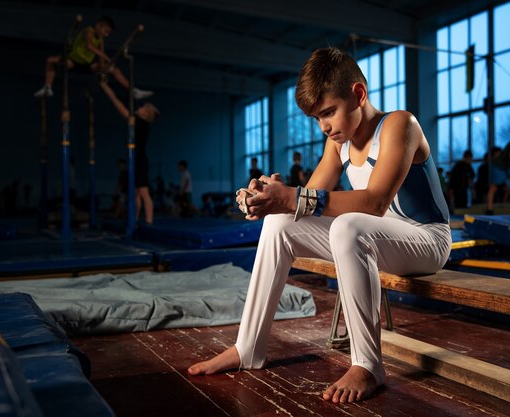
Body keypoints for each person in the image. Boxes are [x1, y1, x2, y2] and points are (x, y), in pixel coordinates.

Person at [187, 47, 451, 404]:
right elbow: (306, 202)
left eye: (328, 112)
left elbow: (375, 202)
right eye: (316, 118)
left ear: (358, 94)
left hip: (426, 241)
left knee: (348, 226)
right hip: (374, 236)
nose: (324, 126)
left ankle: (368, 365)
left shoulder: (400, 125)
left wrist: (293, 196)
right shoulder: (337, 144)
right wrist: (266, 197)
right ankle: (247, 347)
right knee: (281, 224)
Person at [34, 16, 152, 99]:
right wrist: (107, 58)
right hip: (73, 62)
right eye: (106, 31)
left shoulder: (101, 39)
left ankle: (133, 91)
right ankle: (47, 87)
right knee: (50, 60)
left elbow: (100, 57)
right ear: (99, 25)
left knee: (113, 70)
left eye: (108, 34)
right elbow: (90, 46)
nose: (106, 35)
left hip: (88, 66)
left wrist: (104, 70)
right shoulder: (88, 31)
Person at [99, 81, 159, 224]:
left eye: (143, 107)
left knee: (144, 193)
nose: (140, 107)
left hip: (140, 160)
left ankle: (149, 222)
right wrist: (105, 86)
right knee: (136, 194)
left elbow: (119, 105)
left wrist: (105, 87)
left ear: (146, 115)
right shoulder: (139, 121)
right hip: (136, 158)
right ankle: (136, 219)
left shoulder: (140, 122)